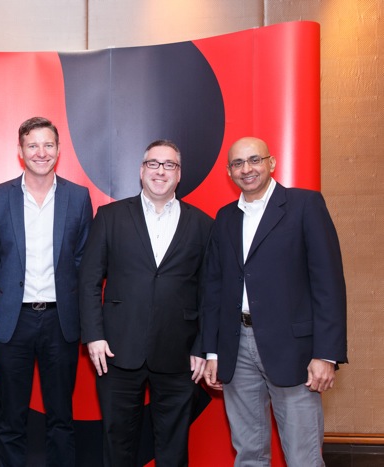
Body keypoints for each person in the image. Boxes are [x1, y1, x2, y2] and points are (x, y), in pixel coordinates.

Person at [201, 136, 347, 466]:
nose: (246, 169)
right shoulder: (225, 217)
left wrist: (326, 354)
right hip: (236, 348)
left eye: (254, 159)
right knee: (249, 453)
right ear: (229, 172)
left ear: (272, 163)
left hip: (294, 352)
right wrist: (212, 352)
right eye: (238, 163)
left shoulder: (305, 205)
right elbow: (214, 287)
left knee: (303, 456)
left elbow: (328, 284)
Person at [79, 140, 213, 467]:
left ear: (179, 174)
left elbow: (210, 292)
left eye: (169, 165)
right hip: (117, 350)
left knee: (173, 448)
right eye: (153, 163)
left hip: (180, 353)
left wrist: (203, 347)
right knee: (118, 443)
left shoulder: (202, 224)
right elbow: (88, 280)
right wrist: (94, 336)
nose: (160, 171)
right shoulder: (110, 217)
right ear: (141, 171)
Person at [0, 116, 92, 466]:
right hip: (12, 321)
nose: (41, 152)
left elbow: (83, 259)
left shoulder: (78, 197)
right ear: (20, 151)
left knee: (61, 418)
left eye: (48, 145)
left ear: (59, 150)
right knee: (11, 419)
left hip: (60, 322)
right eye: (32, 145)